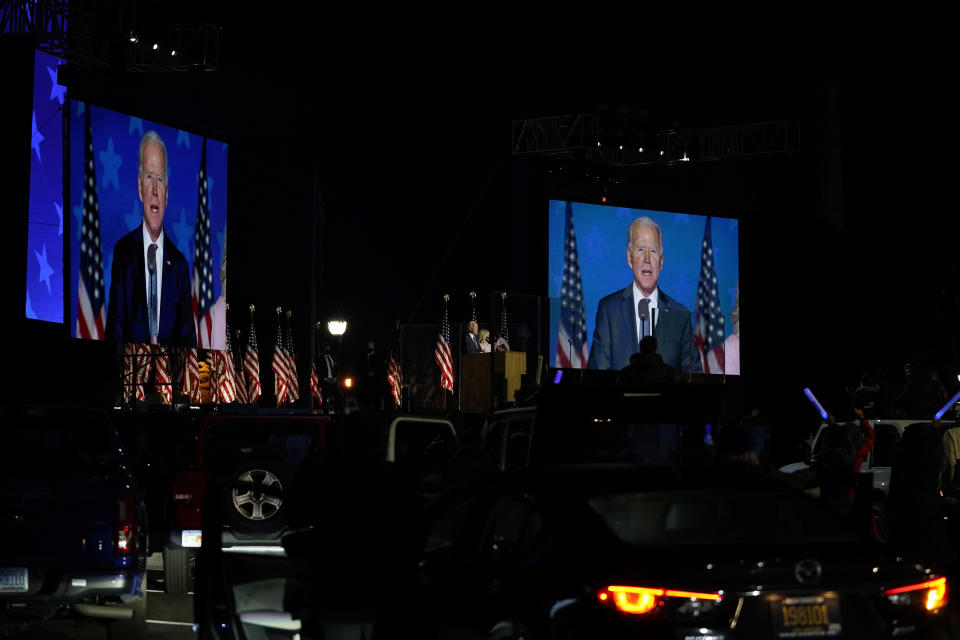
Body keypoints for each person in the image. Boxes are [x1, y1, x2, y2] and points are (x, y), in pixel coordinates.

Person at [106, 131, 195, 346]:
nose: (155, 189)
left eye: (160, 178)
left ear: (167, 192)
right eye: (149, 177)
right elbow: (114, 335)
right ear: (139, 188)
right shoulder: (123, 254)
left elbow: (189, 345)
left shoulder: (180, 266)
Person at [587, 216, 701, 373]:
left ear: (661, 262)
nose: (647, 259)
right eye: (640, 250)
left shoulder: (680, 316)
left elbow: (693, 376)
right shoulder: (608, 310)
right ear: (629, 258)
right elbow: (598, 374)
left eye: (653, 251)